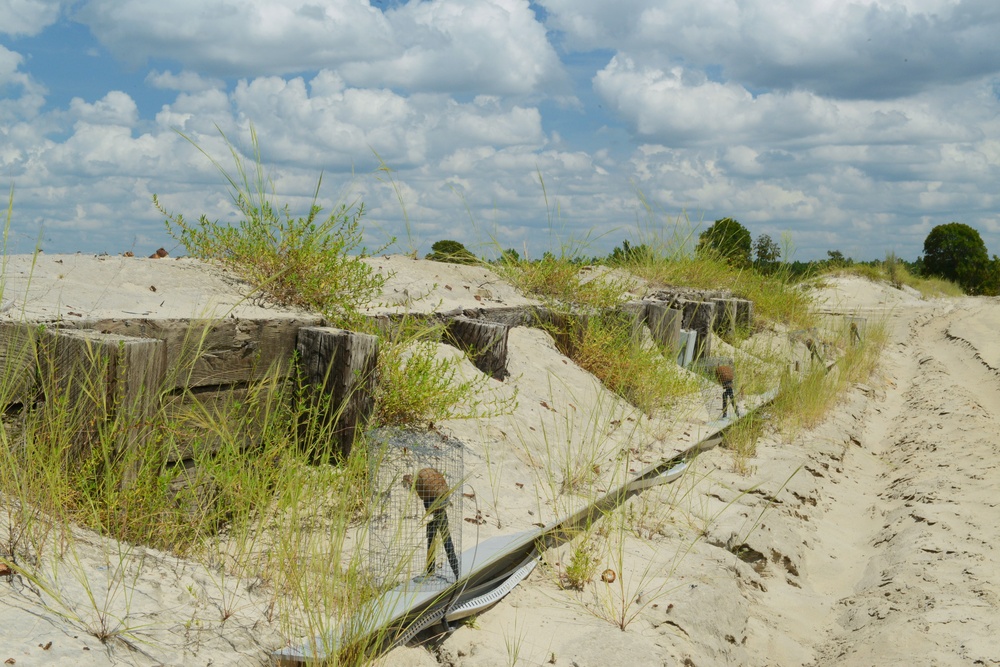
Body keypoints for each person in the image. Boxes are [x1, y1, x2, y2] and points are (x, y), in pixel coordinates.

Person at [403, 467, 461, 582]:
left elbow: (424, 497)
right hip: (443, 498)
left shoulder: (420, 479)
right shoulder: (425, 471)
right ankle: (454, 572)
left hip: (434, 501)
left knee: (444, 539)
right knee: (445, 536)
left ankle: (447, 572)